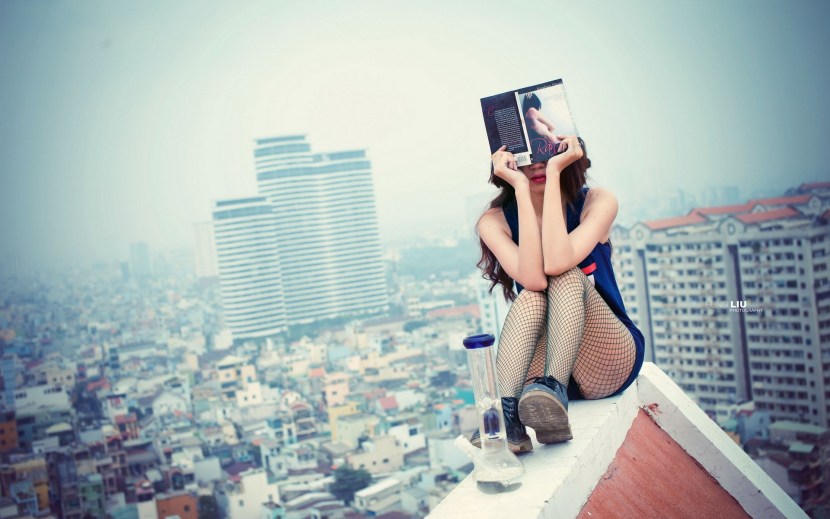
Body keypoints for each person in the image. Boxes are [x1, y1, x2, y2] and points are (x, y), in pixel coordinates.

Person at [473, 138, 645, 453]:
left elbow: (556, 262)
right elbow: (532, 279)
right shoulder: (495, 221)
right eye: (525, 156)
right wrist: (521, 190)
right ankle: (507, 417)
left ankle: (555, 388)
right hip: (536, 383)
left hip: (607, 357)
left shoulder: (597, 201)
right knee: (532, 294)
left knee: (565, 276)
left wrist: (554, 175)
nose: (537, 163)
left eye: (546, 152)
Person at [521, 93, 560, 160]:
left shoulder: (524, 118)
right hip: (553, 144)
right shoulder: (532, 111)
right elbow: (552, 127)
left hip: (542, 149)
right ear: (536, 102)